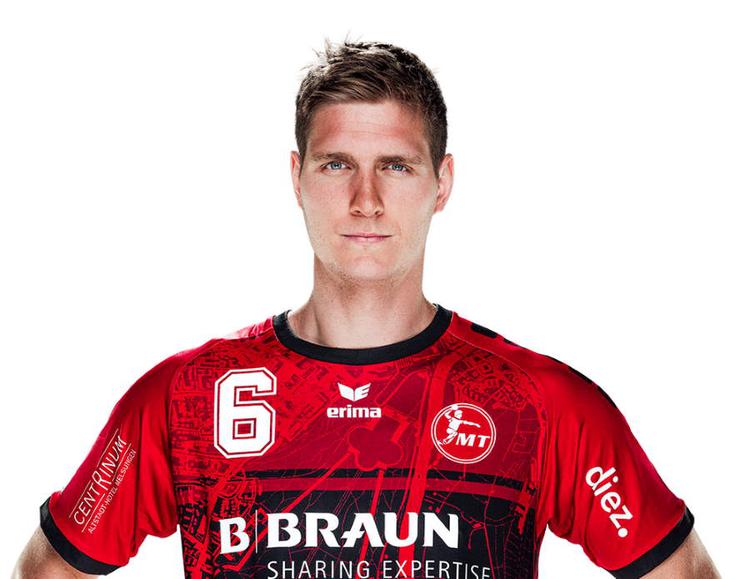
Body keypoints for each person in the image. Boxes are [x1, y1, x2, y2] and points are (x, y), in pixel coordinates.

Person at [13, 39, 720, 579]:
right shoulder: (188, 396)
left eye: (396, 166)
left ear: (442, 183)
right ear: (297, 177)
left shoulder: (540, 402)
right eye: (337, 164)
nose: (366, 201)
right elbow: (48, 569)